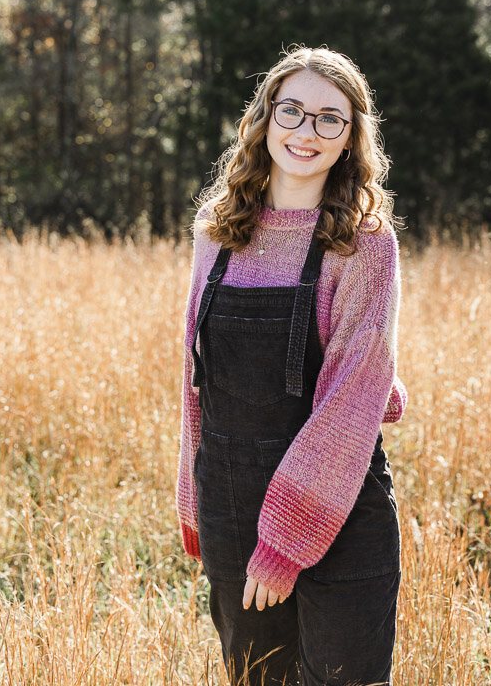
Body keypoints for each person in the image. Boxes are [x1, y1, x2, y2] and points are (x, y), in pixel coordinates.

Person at [176, 46, 407, 686]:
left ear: (351, 137)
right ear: (264, 118)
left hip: (335, 511)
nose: (307, 132)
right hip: (230, 506)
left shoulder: (367, 243)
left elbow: (349, 400)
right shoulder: (214, 232)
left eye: (330, 119)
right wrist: (193, 499)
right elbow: (196, 381)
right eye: (293, 111)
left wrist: (286, 541)